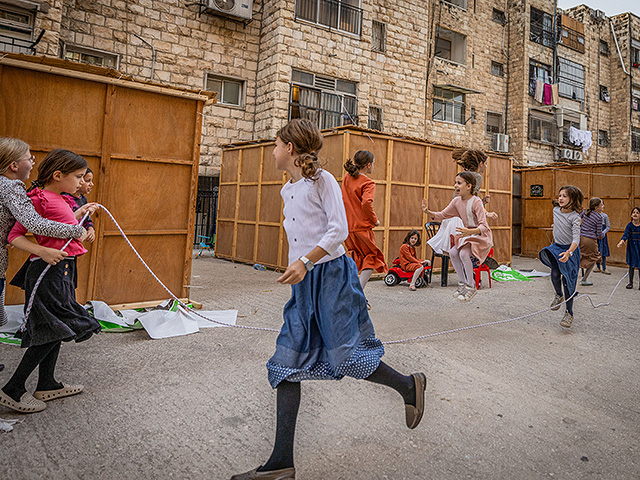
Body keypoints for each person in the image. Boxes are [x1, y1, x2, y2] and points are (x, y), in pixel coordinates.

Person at [230, 119, 426, 480]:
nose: (272, 151)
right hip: (305, 283)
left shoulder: (323, 182)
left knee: (346, 355)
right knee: (286, 362)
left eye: (275, 144)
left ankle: (408, 385)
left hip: (332, 277)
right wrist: (299, 266)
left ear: (289, 148)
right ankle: (281, 463)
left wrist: (305, 261)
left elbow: (339, 230)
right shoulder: (287, 189)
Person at [0, 149, 101, 414]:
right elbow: (14, 235)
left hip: (64, 270)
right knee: (50, 329)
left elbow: (61, 227)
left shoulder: (63, 199)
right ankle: (13, 389)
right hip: (47, 272)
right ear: (58, 175)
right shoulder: (39, 199)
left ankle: (47, 383)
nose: (82, 183)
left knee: (57, 326)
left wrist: (81, 216)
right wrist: (42, 251)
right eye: (78, 177)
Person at [422, 172, 493, 302]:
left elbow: (484, 226)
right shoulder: (456, 201)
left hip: (480, 235)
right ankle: (462, 284)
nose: (455, 186)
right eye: (455, 183)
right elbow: (442, 215)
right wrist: (428, 211)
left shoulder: (476, 202)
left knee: (464, 254)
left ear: (469, 186)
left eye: (459, 183)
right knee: (453, 252)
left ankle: (471, 287)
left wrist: (470, 231)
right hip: (467, 234)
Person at [341, 150, 386, 293]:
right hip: (362, 227)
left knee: (356, 258)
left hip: (348, 227)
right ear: (368, 165)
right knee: (372, 258)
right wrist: (375, 220)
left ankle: (350, 290)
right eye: (373, 163)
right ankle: (358, 294)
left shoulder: (347, 178)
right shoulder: (368, 182)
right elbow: (366, 203)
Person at [538, 186, 583, 329]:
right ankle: (558, 295)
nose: (560, 198)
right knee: (556, 273)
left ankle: (569, 313)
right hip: (557, 247)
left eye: (564, 196)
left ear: (573, 199)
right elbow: (559, 223)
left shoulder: (575, 217)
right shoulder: (555, 210)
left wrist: (569, 252)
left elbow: (576, 239)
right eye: (560, 195)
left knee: (568, 282)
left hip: (570, 250)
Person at [63, 168, 96, 243]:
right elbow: (64, 221)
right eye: (88, 181)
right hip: (65, 240)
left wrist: (91, 229)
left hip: (76, 242)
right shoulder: (65, 198)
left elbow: (87, 218)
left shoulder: (83, 199)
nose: (92, 184)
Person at [579, 197, 605, 286]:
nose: (603, 206)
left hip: (581, 238)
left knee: (579, 256)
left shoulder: (586, 212)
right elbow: (599, 234)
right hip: (590, 240)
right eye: (601, 205)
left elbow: (578, 217)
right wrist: (603, 234)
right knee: (594, 258)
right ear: (596, 207)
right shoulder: (599, 217)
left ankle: (572, 276)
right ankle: (584, 279)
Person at [617, 206, 640, 290]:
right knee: (632, 265)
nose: (635, 214)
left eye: (637, 213)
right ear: (631, 215)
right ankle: (630, 283)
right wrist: (621, 241)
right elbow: (625, 235)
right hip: (632, 248)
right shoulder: (629, 225)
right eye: (634, 212)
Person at [595, 209, 611, 275]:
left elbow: (608, 226)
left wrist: (602, 233)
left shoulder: (605, 216)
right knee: (596, 251)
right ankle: (598, 267)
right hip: (596, 236)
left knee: (603, 251)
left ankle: (604, 268)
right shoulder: (594, 215)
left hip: (603, 237)